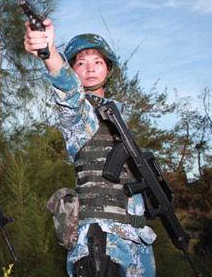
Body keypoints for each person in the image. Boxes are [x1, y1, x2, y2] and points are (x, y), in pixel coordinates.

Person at [24, 19, 156, 276]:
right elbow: (68, 90)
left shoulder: (118, 114)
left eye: (97, 62)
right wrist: (49, 52)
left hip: (136, 238)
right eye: (81, 63)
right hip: (100, 235)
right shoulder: (80, 115)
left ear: (108, 68)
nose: (90, 68)